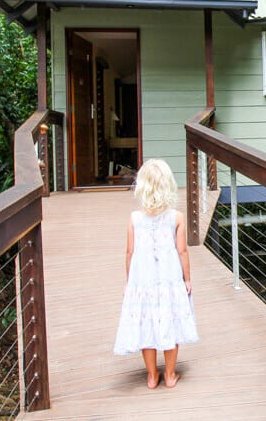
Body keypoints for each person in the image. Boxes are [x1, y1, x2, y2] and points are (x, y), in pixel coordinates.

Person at [113, 158, 198, 389]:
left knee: (146, 325)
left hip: (143, 282)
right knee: (170, 322)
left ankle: (152, 376)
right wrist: (187, 279)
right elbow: (182, 251)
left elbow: (129, 252)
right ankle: (170, 375)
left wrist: (130, 282)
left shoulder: (134, 218)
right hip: (169, 280)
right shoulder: (176, 217)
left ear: (142, 186)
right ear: (167, 185)